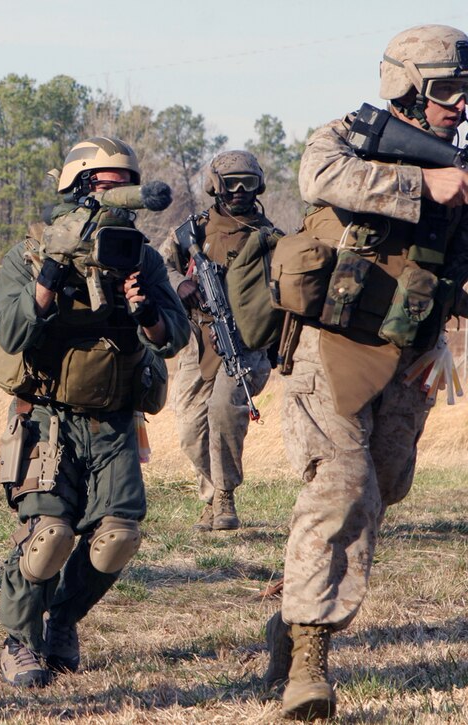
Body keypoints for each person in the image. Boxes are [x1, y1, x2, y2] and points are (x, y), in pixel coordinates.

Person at [263, 24, 468, 720]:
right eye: (447, 90)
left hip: (411, 351)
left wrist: (446, 334)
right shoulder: (350, 134)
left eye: (466, 91)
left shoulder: (461, 164)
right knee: (343, 488)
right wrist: (424, 183)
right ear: (407, 85)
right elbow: (318, 176)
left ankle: (292, 619)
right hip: (331, 345)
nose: (460, 105)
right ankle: (310, 660)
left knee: (385, 485)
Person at [0, 137, 187, 687]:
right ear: (77, 188)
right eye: (106, 185)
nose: (118, 200)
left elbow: (174, 339)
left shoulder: (141, 258)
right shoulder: (29, 254)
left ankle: (62, 623)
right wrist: (49, 281)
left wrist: (144, 311)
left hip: (116, 421)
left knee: (118, 535)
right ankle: (20, 641)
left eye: (127, 186)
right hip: (49, 417)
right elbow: (9, 332)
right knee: (49, 534)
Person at [158, 150, 279, 531]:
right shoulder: (192, 231)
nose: (240, 190)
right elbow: (159, 265)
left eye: (247, 181)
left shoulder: (270, 238)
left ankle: (224, 497)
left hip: (246, 343)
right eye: (231, 183)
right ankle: (212, 494)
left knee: (225, 412)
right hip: (199, 339)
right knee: (190, 428)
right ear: (215, 186)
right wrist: (182, 283)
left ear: (259, 183)